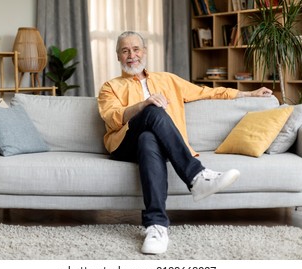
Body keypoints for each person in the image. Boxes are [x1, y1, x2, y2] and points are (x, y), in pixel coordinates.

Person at [97, 31, 273, 255]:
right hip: (123, 144)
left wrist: (248, 93)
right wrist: (144, 104)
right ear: (118, 57)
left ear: (145, 51)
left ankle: (156, 227)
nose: (131, 55)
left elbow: (206, 92)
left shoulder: (168, 80)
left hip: (149, 146)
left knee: (148, 139)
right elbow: (113, 118)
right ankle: (196, 177)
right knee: (152, 110)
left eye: (136, 49)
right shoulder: (110, 87)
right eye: (125, 50)